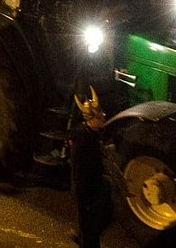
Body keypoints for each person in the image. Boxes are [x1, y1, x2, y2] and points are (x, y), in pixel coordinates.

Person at [70, 87, 111, 248]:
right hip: (87, 190)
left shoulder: (90, 134)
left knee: (90, 225)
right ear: (91, 118)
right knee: (90, 230)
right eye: (100, 115)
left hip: (91, 188)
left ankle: (82, 237)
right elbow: (80, 171)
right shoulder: (83, 140)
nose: (103, 116)